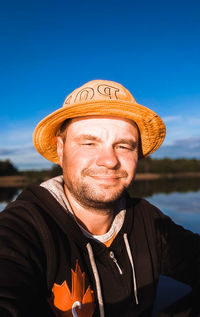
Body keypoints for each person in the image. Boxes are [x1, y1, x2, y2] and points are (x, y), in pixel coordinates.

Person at [0, 80, 199, 317]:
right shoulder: (21, 229)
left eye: (123, 146)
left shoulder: (147, 219)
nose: (109, 160)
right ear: (61, 150)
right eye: (89, 143)